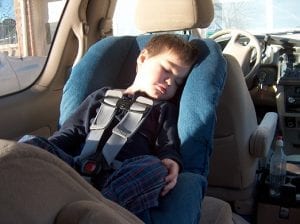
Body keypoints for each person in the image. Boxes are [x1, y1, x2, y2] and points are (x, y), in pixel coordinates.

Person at [19, 34, 206, 223]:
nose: (169, 83)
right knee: (31, 145)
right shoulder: (101, 97)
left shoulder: (163, 110)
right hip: (77, 169)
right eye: (167, 70)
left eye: (177, 82)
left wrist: (170, 160)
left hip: (122, 177)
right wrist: (43, 155)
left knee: (155, 169)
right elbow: (70, 133)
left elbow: (167, 144)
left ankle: (102, 210)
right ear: (142, 59)